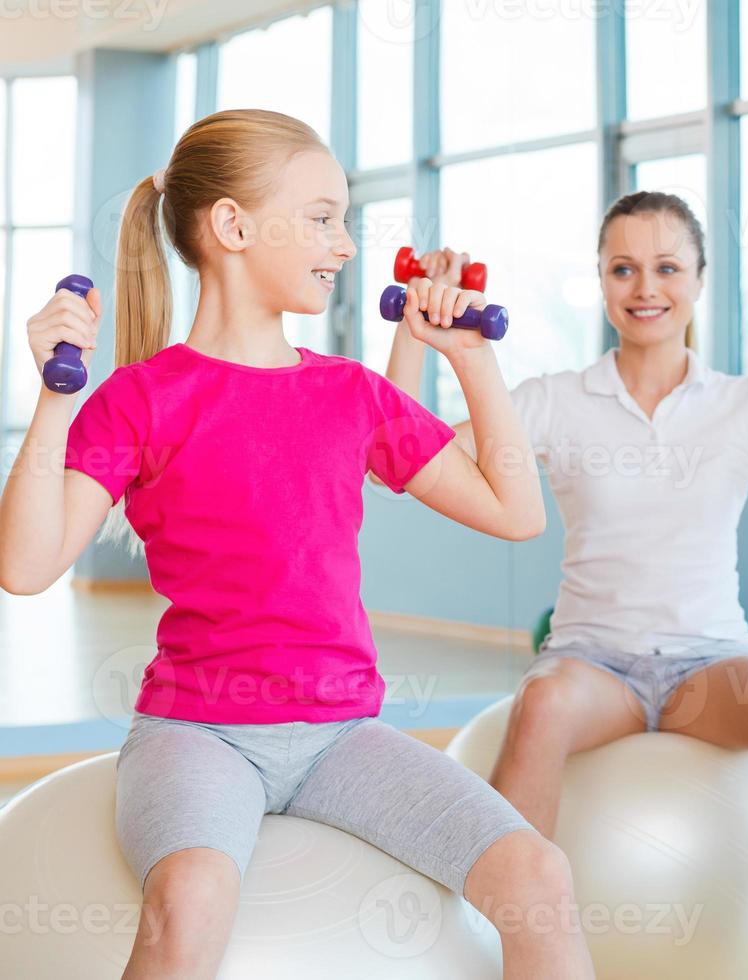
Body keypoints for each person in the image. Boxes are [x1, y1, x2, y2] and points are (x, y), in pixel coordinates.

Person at [0, 108, 593, 979]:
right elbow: (24, 566)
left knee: (538, 874)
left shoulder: (352, 394)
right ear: (233, 226)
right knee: (192, 897)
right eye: (321, 217)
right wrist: (54, 398)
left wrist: (473, 359)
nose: (345, 245)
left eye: (344, 220)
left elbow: (516, 511)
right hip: (198, 733)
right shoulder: (140, 398)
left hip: (340, 738)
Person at [386, 190, 748, 908]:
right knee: (538, 705)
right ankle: (498, 941)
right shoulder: (552, 398)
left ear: (697, 280)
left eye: (666, 267)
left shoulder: (743, 402)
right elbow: (407, 460)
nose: (645, 289)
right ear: (601, 282)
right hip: (591, 664)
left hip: (711, 663)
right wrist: (415, 327)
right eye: (623, 269)